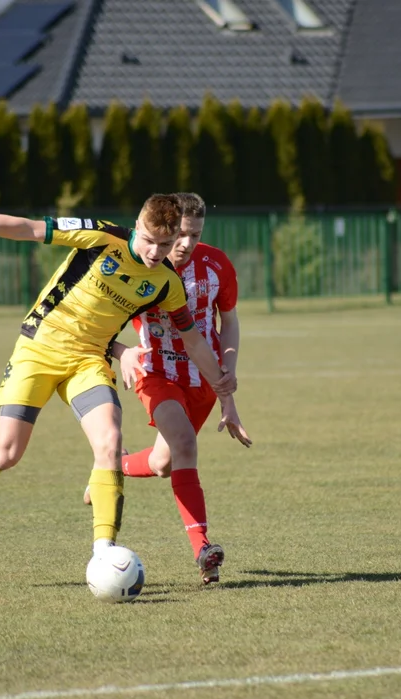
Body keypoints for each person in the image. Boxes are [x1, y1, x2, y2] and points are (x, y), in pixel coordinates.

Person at [0, 193, 246, 565]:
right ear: (137, 226)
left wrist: (224, 386)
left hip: (89, 361)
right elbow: (28, 228)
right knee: (6, 453)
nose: (157, 252)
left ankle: (104, 554)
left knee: (110, 442)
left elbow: (193, 339)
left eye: (165, 244)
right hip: (38, 351)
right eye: (150, 240)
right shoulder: (100, 235)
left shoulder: (165, 282)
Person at [84, 192, 251, 585]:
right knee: (185, 445)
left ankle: (112, 466)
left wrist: (226, 383)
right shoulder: (141, 264)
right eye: (180, 234)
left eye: (194, 235)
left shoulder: (216, 265)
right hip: (156, 372)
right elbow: (96, 322)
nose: (185, 244)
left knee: (163, 463)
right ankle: (204, 550)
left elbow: (229, 322)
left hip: (202, 380)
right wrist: (119, 350)